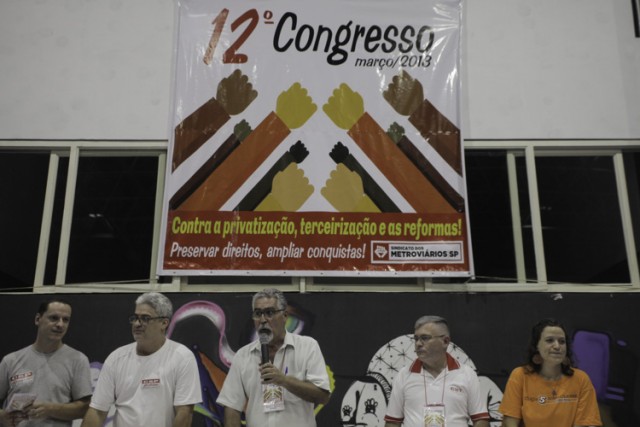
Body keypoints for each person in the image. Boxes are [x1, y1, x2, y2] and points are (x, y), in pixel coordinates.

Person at [81, 292, 201, 427]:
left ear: (164, 323)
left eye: (145, 318)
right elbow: (97, 411)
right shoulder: (116, 358)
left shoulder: (182, 357)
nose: (137, 323)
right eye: (135, 318)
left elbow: (184, 413)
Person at [217, 288, 331, 427]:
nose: (263, 320)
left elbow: (322, 396)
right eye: (258, 313)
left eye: (269, 313)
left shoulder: (307, 347)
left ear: (285, 316)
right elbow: (231, 406)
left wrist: (284, 380)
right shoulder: (243, 355)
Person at [384, 315, 490, 427]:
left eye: (425, 338)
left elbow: (481, 420)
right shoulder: (404, 375)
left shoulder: (467, 374)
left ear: (445, 341)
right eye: (416, 339)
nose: (418, 344)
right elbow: (392, 422)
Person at [0, 298, 92, 427]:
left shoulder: (78, 360)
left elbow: (85, 408)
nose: (60, 324)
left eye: (66, 320)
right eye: (54, 318)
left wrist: (50, 409)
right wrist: (2, 417)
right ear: (38, 319)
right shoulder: (10, 360)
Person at [499, 318, 602, 427]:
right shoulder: (520, 375)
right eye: (549, 340)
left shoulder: (581, 379)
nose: (557, 346)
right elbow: (510, 423)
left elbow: (585, 424)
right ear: (537, 346)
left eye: (562, 341)